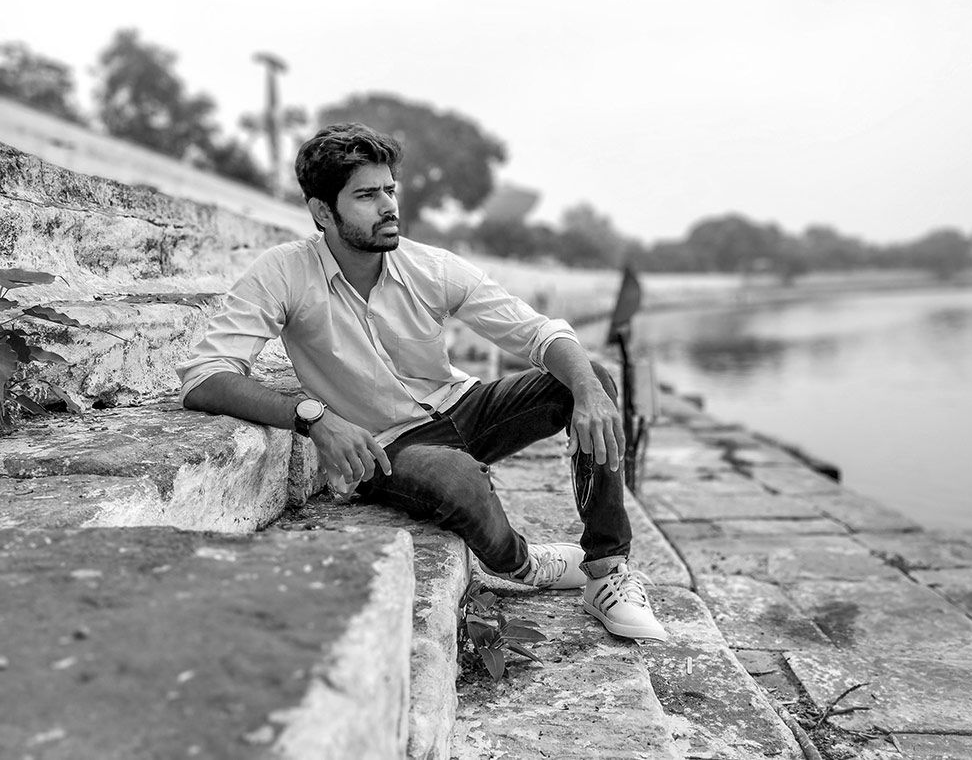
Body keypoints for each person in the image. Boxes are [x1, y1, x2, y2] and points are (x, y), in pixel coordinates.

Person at [176, 123, 666, 642]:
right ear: (323, 211)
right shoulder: (283, 272)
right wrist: (311, 415)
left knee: (591, 381)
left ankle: (607, 571)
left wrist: (587, 393)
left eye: (390, 189)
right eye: (367, 195)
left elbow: (539, 333)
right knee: (457, 478)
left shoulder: (428, 265)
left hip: (465, 406)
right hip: (387, 444)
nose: (388, 205)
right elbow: (206, 377)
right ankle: (524, 564)